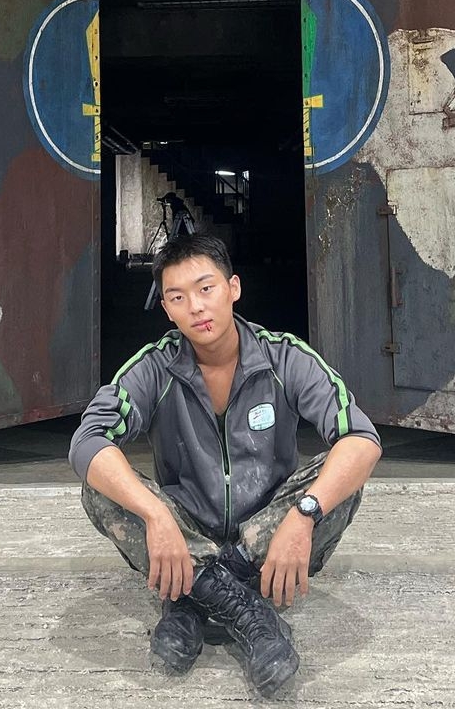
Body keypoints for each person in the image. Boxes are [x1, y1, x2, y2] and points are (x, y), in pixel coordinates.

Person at [68, 233, 383, 697]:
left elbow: (361, 438)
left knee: (341, 478)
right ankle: (246, 612)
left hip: (268, 537)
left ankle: (191, 600)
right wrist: (156, 516)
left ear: (233, 288)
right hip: (188, 533)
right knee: (100, 486)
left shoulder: (283, 357)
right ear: (167, 310)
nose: (196, 307)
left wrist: (304, 515)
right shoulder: (154, 368)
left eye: (206, 288)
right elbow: (88, 440)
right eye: (178, 297)